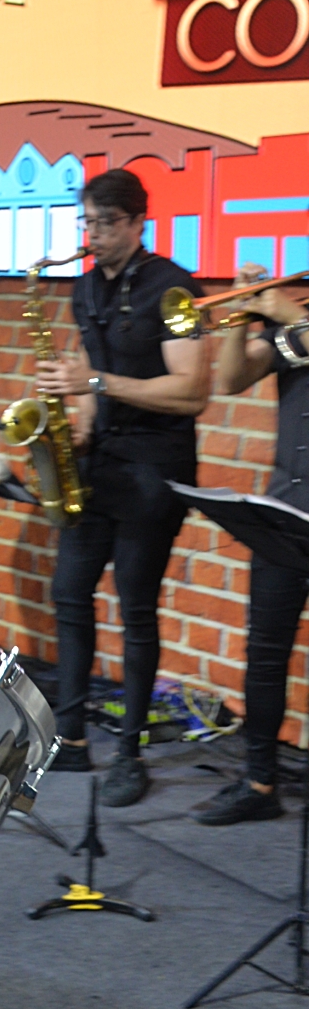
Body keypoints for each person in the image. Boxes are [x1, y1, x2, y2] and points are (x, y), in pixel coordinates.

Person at [36, 168, 210, 807]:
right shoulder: (85, 288)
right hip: (102, 463)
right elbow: (90, 374)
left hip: (156, 469)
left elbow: (193, 391)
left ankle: (131, 752)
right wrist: (79, 419)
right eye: (88, 221)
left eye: (107, 223)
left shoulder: (175, 289)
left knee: (136, 605)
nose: (95, 234)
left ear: (139, 223)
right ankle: (72, 737)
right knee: (69, 592)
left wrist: (97, 385)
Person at [194, 270, 309, 824]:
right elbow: (233, 379)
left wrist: (290, 314)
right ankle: (260, 782)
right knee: (265, 652)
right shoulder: (297, 322)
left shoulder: (298, 317)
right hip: (286, 511)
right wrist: (241, 317)